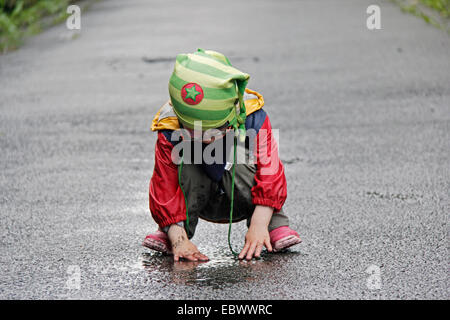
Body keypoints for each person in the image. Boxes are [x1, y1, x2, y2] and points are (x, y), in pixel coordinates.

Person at [143, 49, 301, 261]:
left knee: (244, 158)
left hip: (248, 200)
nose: (206, 139)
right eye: (194, 131)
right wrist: (179, 239)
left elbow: (270, 172)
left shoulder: (253, 115)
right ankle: (173, 232)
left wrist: (259, 225)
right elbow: (165, 186)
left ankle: (274, 226)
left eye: (215, 131)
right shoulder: (170, 127)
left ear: (232, 112)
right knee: (184, 159)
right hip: (197, 201)